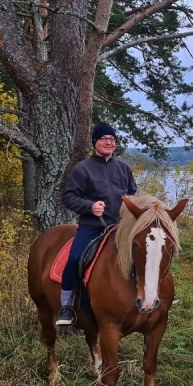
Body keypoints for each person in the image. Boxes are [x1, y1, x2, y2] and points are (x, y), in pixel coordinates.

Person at [56, 122, 138, 326]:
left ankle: (152, 293)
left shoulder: (124, 168)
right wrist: (90, 206)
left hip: (120, 226)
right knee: (75, 258)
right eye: (104, 139)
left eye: (112, 139)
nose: (109, 142)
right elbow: (69, 197)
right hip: (92, 226)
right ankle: (66, 306)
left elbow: (133, 194)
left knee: (146, 252)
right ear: (95, 142)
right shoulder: (83, 169)